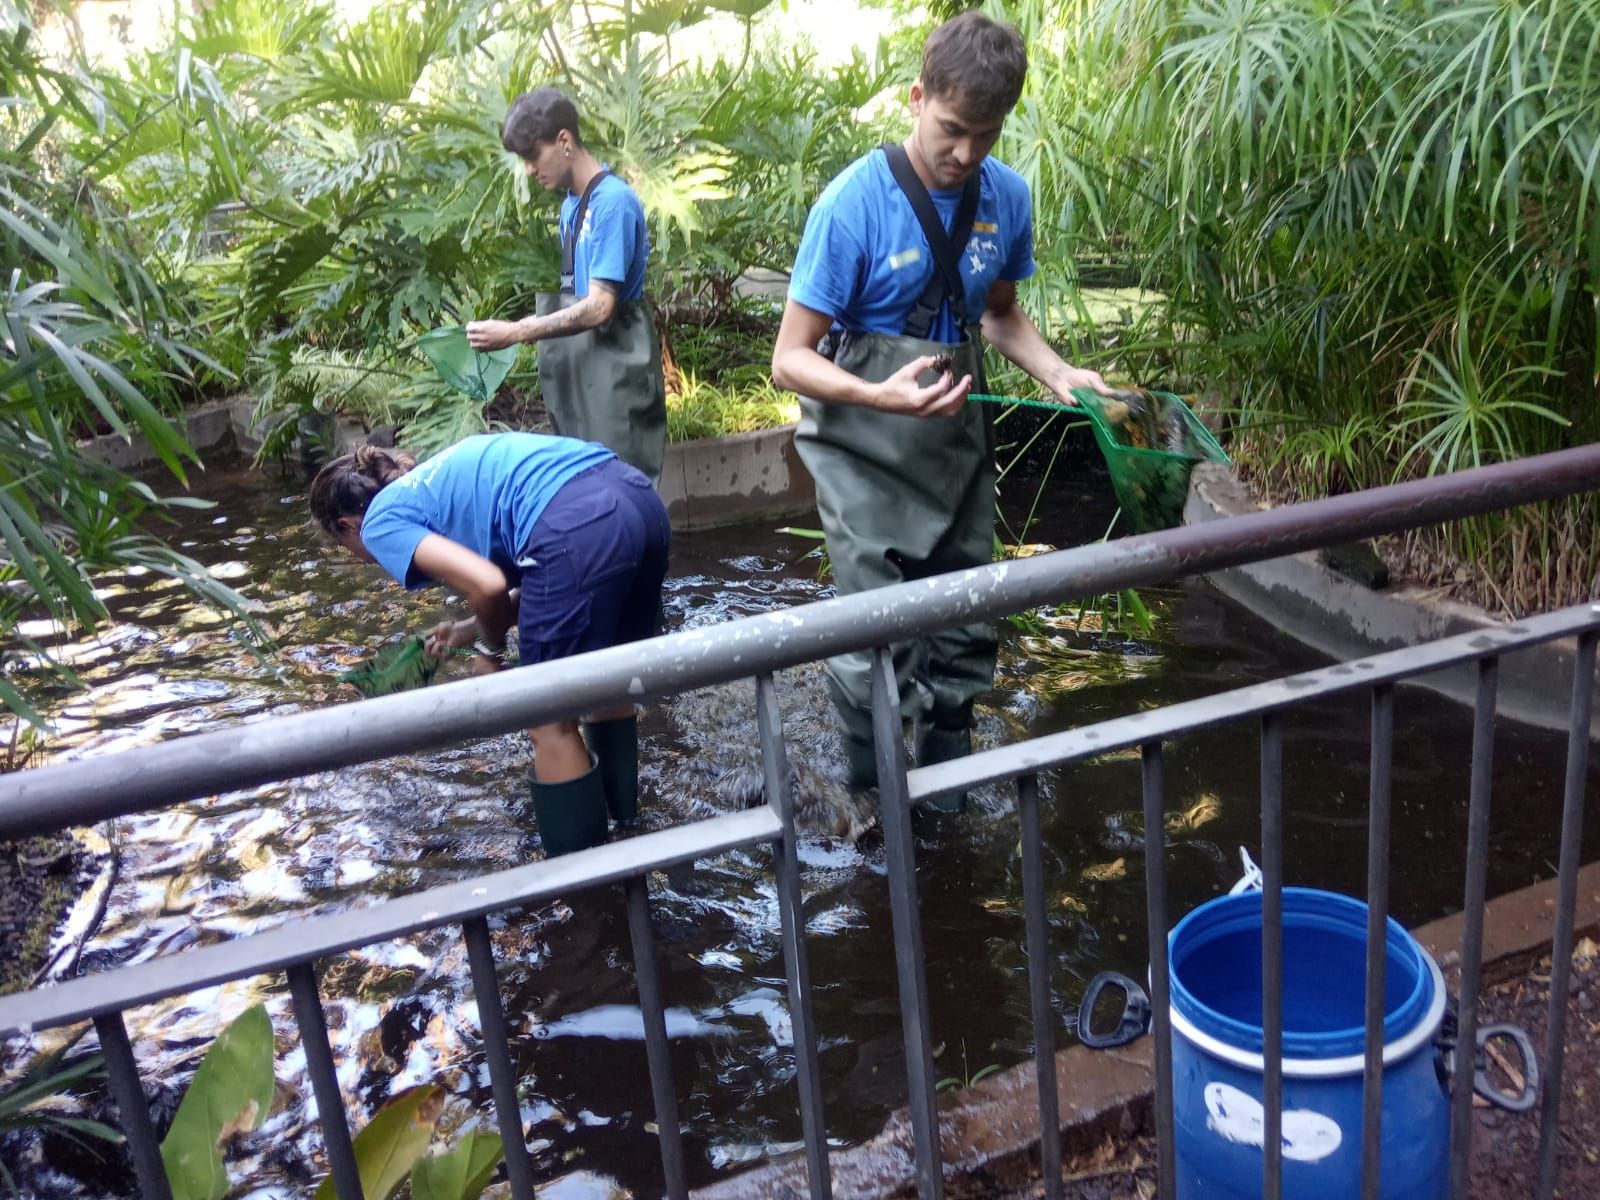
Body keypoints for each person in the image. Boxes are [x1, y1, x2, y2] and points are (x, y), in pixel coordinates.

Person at [769, 11, 1115, 812]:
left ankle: (945, 814)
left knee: (964, 622)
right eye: (952, 130)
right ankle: (871, 809)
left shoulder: (1007, 198)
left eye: (985, 137)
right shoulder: (851, 206)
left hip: (956, 446)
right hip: (862, 452)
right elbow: (790, 359)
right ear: (917, 97)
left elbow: (998, 315)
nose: (965, 154)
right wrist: (880, 395)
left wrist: (1061, 373)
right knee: (872, 644)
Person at [308, 432, 670, 856]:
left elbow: (490, 582)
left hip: (574, 526)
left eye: (348, 548)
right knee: (605, 685)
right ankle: (628, 829)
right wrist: (468, 629)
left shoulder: (378, 523)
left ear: (348, 526)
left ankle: (587, 888)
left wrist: (490, 652)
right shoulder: (434, 483)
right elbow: (555, 578)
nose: (363, 556)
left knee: (548, 719)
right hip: (636, 497)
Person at [466, 88, 668, 484]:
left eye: (532, 156)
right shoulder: (571, 207)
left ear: (564, 141)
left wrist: (517, 331)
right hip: (581, 373)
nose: (528, 170)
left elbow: (599, 307)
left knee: (622, 489)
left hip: (615, 376)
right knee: (585, 488)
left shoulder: (613, 201)